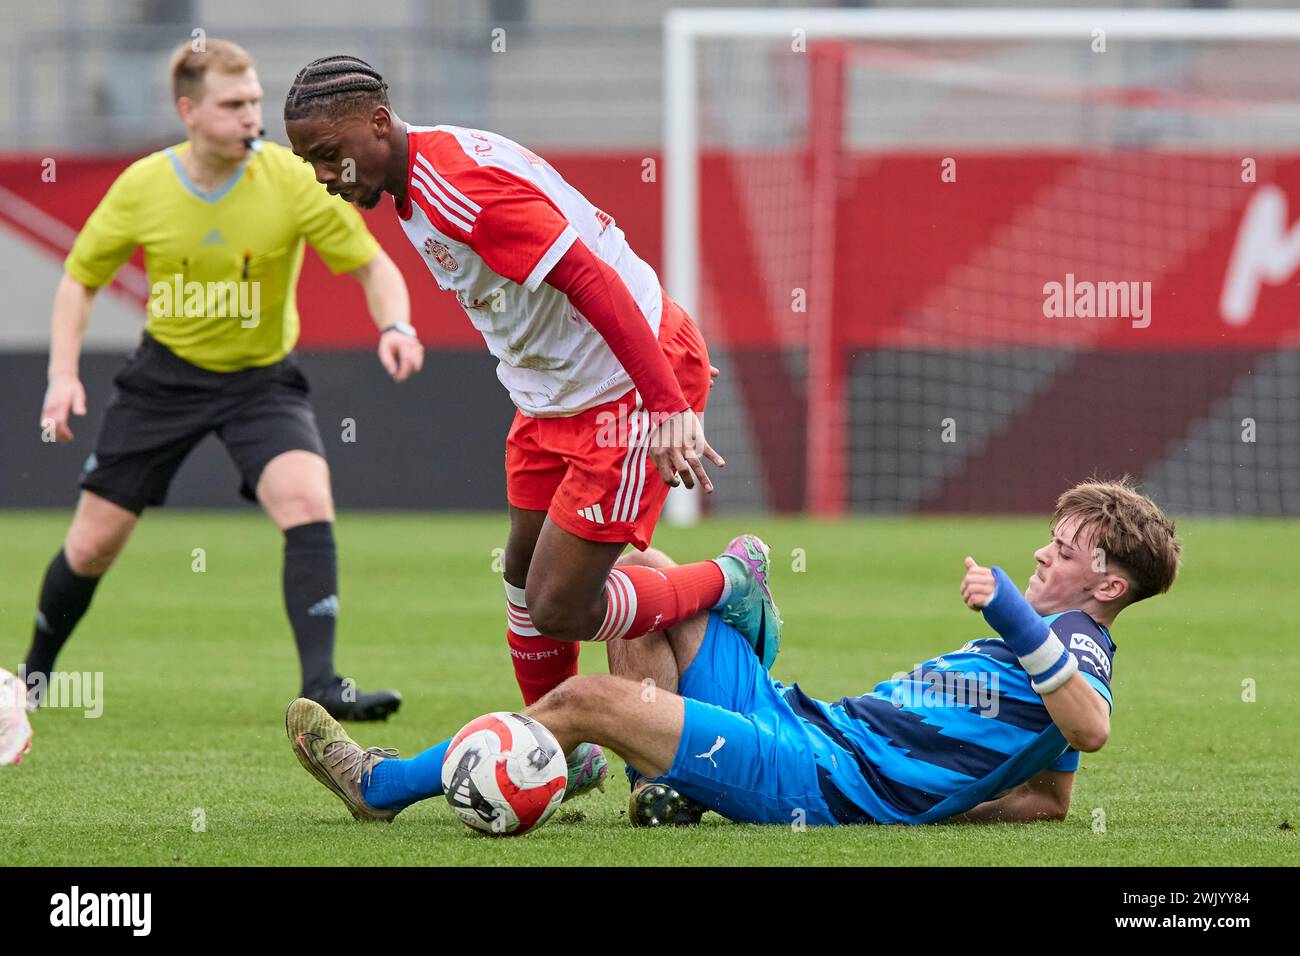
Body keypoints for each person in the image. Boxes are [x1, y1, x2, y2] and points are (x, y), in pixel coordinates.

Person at [282, 54, 762, 794]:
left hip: (622, 388)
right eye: (309, 162)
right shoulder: (408, 179)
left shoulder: (459, 190)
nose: (322, 175)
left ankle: (732, 580)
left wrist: (665, 402)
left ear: (378, 123)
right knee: (519, 574)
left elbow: (591, 280)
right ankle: (569, 760)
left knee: (560, 605)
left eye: (326, 155)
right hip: (549, 396)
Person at [285, 477, 1180, 826]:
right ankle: (660, 786)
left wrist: (1015, 618)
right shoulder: (1051, 656)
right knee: (642, 579)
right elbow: (1051, 801)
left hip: (807, 779)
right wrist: (941, 803)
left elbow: (1090, 729)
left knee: (586, 705)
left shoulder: (1070, 644)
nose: (1038, 555)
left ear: (1108, 587)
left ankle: (383, 787)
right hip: (800, 723)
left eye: (1062, 552)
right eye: (1049, 539)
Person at [21, 39, 422, 721]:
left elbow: (371, 266)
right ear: (189, 111)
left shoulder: (291, 178)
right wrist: (62, 377)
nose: (250, 117)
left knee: (306, 499)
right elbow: (80, 281)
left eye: (255, 102)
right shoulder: (144, 185)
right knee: (91, 545)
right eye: (233, 104)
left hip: (261, 382)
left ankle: (322, 685)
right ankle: (28, 683)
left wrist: (397, 326)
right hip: (163, 380)